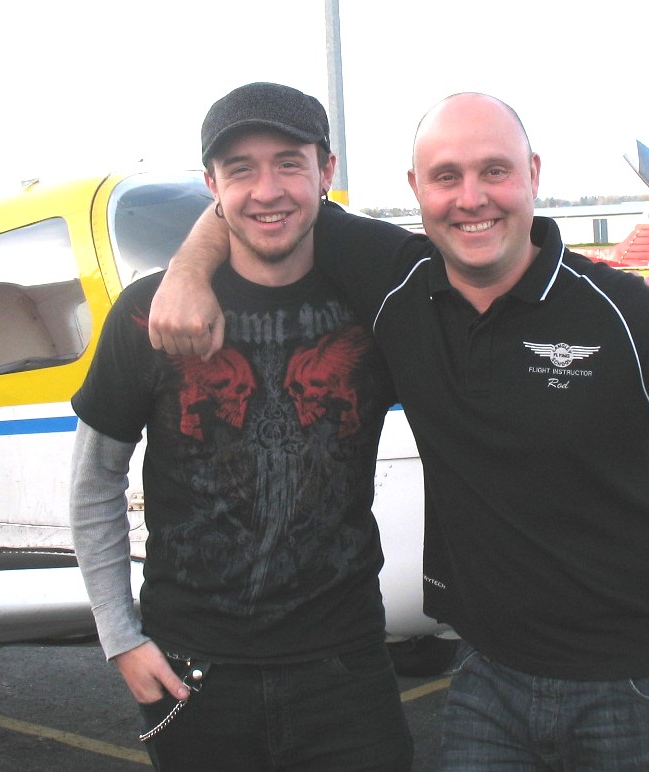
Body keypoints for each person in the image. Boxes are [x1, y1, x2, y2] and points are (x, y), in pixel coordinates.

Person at [149, 92, 649, 770]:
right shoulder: (393, 281)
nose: (470, 197)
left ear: (533, 175)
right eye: (446, 177)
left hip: (636, 684)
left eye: (494, 172)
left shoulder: (618, 312)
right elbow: (262, 199)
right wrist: (184, 273)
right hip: (488, 677)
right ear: (417, 189)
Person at [69, 82, 413, 771]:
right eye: (240, 169)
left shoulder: (378, 306)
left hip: (343, 666)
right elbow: (94, 481)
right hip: (192, 669)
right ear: (211, 185)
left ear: (326, 171)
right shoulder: (148, 314)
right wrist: (119, 637)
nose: (267, 190)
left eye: (288, 162)